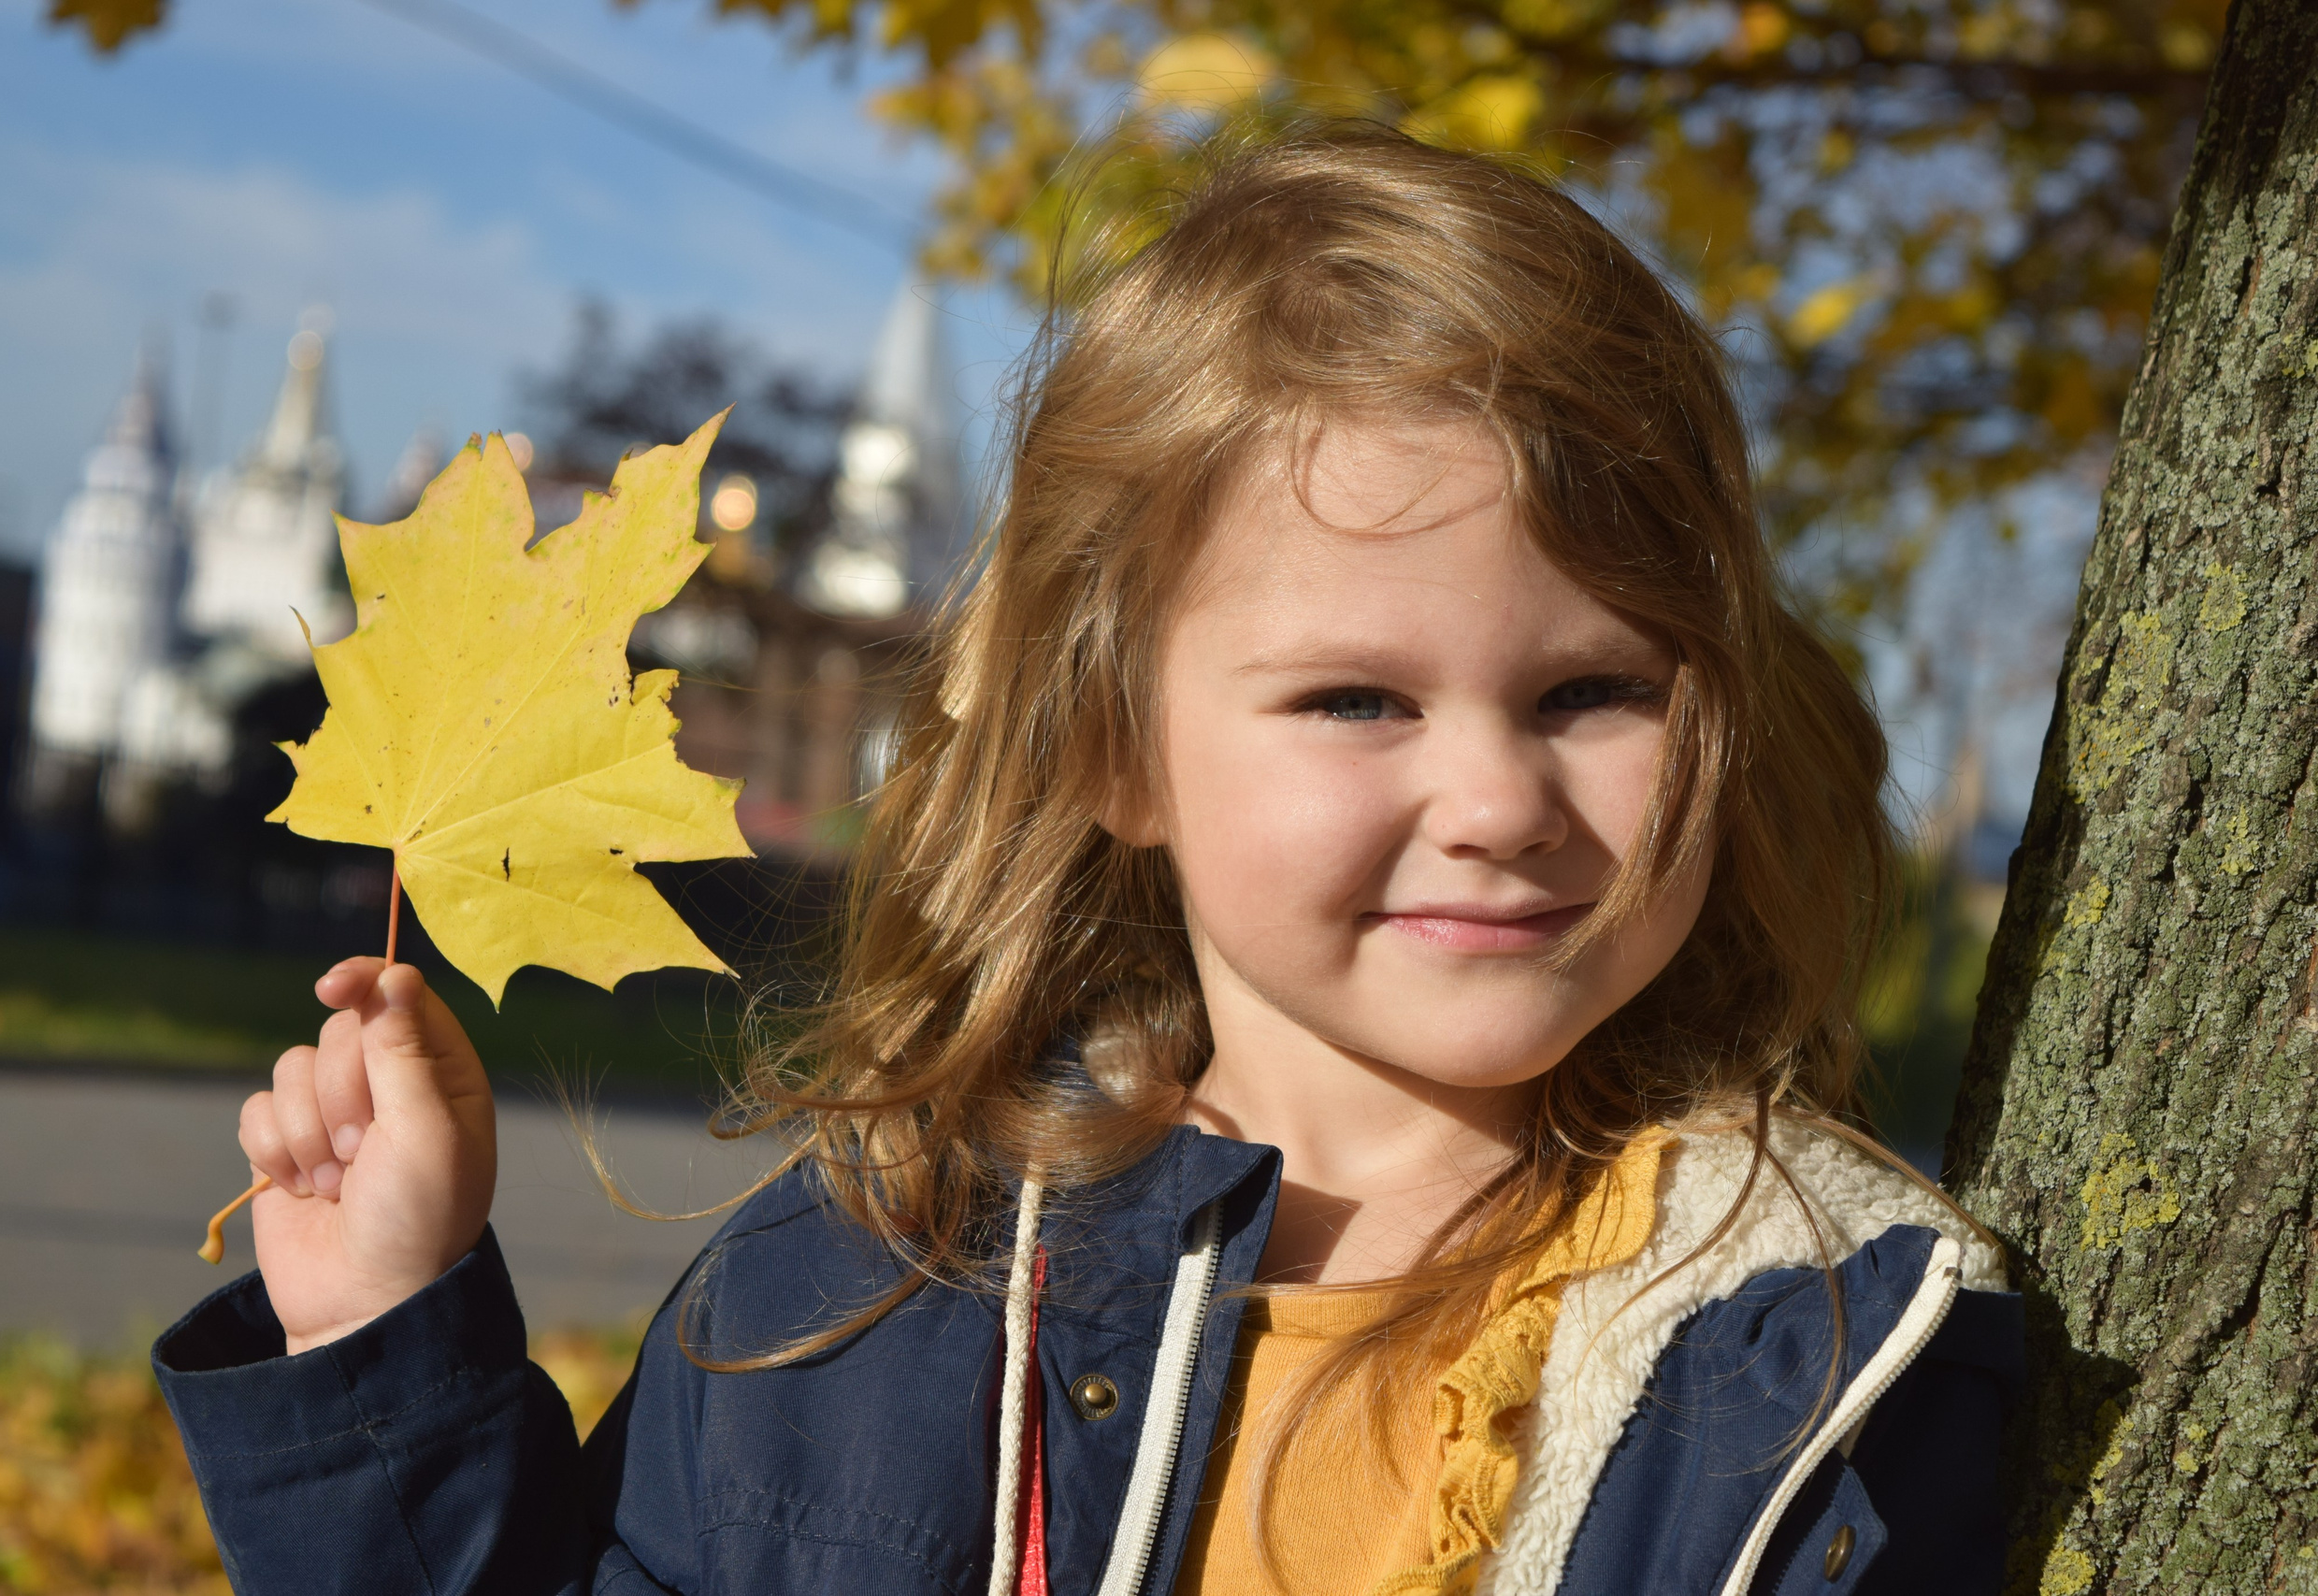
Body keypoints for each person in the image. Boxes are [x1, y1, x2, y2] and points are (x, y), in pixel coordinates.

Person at [154, 124, 2020, 1596]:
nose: (1498, 798)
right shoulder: (876, 1274)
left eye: (1593, 686)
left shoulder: (1828, 1345)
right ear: (1116, 746)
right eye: (1358, 697)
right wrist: (379, 1339)